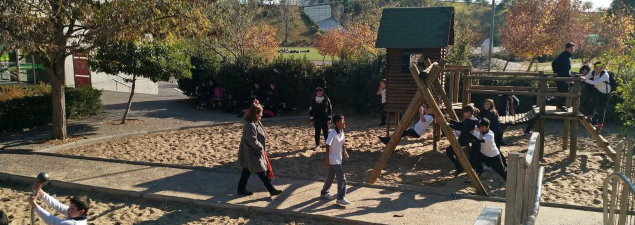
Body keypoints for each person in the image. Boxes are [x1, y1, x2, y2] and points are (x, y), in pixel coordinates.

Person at [237, 100, 283, 196]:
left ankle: (241, 189)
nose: (262, 114)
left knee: (246, 170)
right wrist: (261, 149)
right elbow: (252, 140)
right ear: (255, 113)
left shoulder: (256, 122)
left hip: (251, 151)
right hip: (251, 151)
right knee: (261, 170)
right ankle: (271, 189)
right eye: (260, 112)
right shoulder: (250, 125)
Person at [320, 114, 350, 205]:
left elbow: (343, 143)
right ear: (337, 123)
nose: (344, 123)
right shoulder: (333, 132)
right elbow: (327, 145)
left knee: (330, 176)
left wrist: (345, 152)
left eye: (344, 121)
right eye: (342, 121)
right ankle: (340, 197)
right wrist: (327, 159)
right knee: (342, 177)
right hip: (333, 159)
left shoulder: (342, 132)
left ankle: (324, 192)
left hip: (338, 158)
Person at [446, 105, 480, 177]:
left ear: (468, 112)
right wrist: (452, 121)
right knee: (452, 151)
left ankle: (460, 166)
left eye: (464, 112)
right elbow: (461, 124)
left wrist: (451, 125)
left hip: (466, 140)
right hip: (467, 139)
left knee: (450, 151)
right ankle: (460, 166)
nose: (463, 114)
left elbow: (462, 127)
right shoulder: (471, 119)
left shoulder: (471, 121)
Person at [582, 61, 611, 131]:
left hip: (605, 92)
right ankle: (590, 116)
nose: (596, 69)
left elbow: (596, 82)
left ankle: (600, 125)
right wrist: (581, 78)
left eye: (599, 67)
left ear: (602, 68)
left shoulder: (605, 74)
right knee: (593, 102)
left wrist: (585, 80)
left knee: (602, 108)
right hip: (597, 89)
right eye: (595, 67)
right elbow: (586, 77)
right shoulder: (593, 72)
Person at [551, 42, 576, 112]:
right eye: (570, 49)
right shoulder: (564, 55)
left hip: (565, 76)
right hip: (561, 76)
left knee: (565, 90)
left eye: (573, 49)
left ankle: (560, 105)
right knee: (562, 91)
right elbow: (554, 63)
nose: (572, 50)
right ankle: (560, 105)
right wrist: (555, 71)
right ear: (566, 48)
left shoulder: (568, 56)